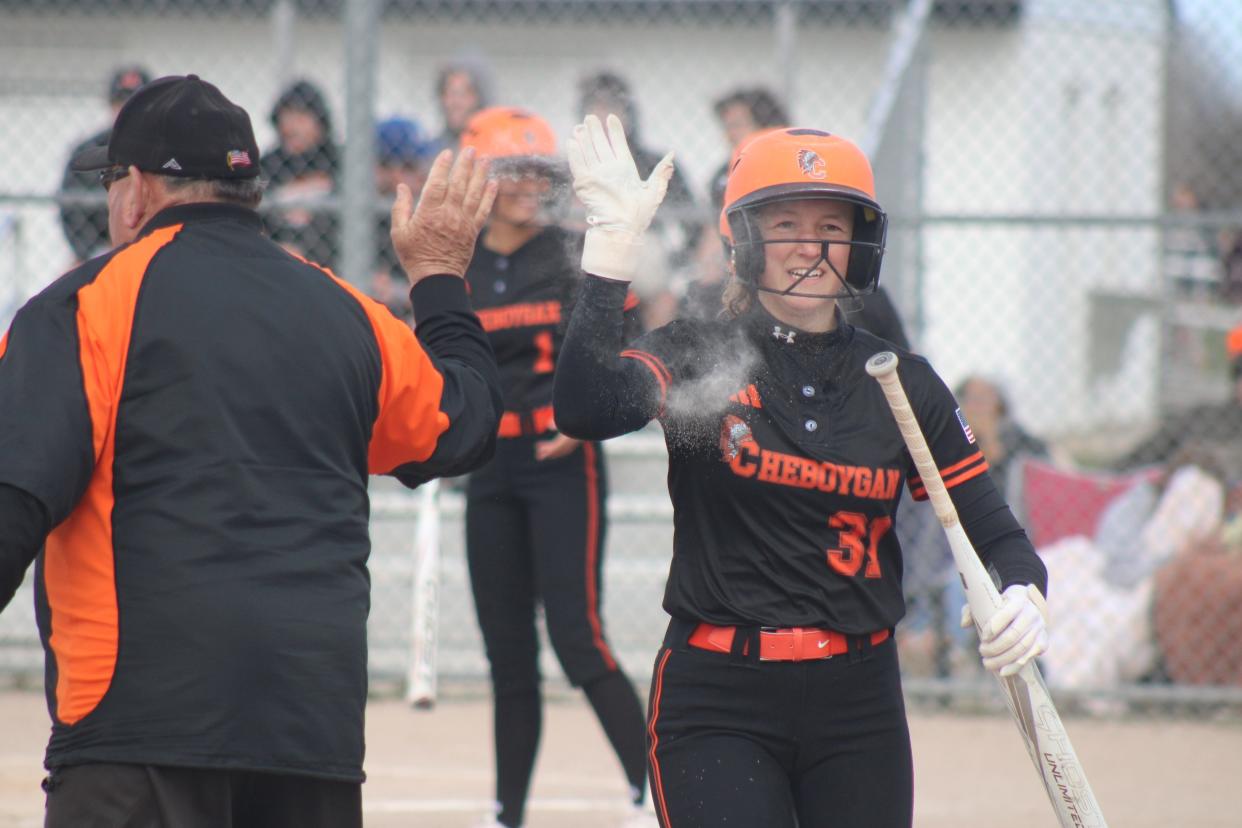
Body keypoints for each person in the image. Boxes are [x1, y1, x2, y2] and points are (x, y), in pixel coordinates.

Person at [0, 74, 502, 828]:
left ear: (135, 189)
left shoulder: (83, 306)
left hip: (138, 726)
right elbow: (460, 423)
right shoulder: (346, 313)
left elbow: (15, 495)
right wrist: (437, 278)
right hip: (309, 731)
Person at [553, 117, 1050, 827]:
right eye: (785, 224)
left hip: (859, 702)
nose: (812, 248)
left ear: (860, 241)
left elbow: (994, 530)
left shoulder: (899, 378)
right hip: (718, 693)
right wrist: (611, 249)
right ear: (744, 238)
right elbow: (584, 405)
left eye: (832, 226)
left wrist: (1025, 593)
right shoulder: (700, 351)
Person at [455, 106, 652, 828]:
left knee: (578, 637)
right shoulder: (459, 260)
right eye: (511, 170)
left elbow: (625, 339)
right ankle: (508, 812)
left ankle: (648, 787)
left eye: (538, 171)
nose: (527, 185)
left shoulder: (570, 254)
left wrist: (586, 416)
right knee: (508, 656)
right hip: (489, 469)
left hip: (560, 464)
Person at [578, 71, 699, 329]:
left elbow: (693, 224)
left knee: (659, 281)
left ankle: (650, 358)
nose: (603, 116)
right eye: (594, 107)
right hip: (589, 251)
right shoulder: (576, 162)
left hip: (646, 253)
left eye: (611, 106)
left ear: (627, 113)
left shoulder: (653, 162)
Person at [58, 64, 151, 264]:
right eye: (122, 103)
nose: (127, 111)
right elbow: (70, 211)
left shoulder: (166, 148)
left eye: (136, 104)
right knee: (68, 281)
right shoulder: (90, 150)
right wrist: (92, 251)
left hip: (152, 244)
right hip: (97, 249)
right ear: (111, 106)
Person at [260, 78, 339, 268]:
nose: (292, 126)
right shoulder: (268, 165)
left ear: (320, 122)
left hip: (330, 258)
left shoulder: (337, 161)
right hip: (278, 258)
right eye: (286, 117)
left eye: (301, 117)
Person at [371, 116, 435, 320]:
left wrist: (399, 292)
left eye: (410, 167)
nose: (397, 177)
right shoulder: (363, 219)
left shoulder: (433, 216)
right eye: (386, 165)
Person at [428, 57, 494, 155]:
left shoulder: (492, 144)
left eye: (463, 94)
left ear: (478, 98)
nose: (456, 102)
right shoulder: (433, 149)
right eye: (450, 93)